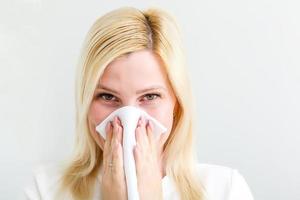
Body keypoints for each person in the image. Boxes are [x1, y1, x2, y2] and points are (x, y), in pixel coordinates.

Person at [24, 6, 254, 200]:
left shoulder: (225, 190)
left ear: (176, 103)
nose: (129, 120)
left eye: (150, 97)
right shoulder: (45, 190)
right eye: (108, 97)